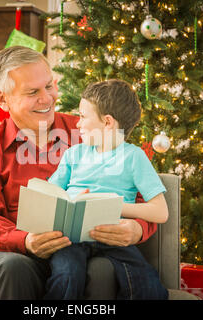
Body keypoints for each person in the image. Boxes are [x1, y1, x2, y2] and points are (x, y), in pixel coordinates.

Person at [0, 46, 159, 299]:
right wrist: (25, 241)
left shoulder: (87, 130)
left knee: (101, 270)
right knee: (12, 267)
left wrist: (137, 227)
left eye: (49, 86)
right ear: (2, 99)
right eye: (33, 92)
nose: (47, 99)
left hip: (84, 250)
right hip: (15, 254)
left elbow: (143, 194)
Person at [44, 79, 169, 300]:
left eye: (83, 116)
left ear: (108, 122)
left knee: (148, 284)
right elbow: (50, 194)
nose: (78, 124)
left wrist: (116, 207)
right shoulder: (74, 155)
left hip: (113, 237)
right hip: (72, 237)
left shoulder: (134, 157)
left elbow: (160, 212)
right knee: (67, 274)